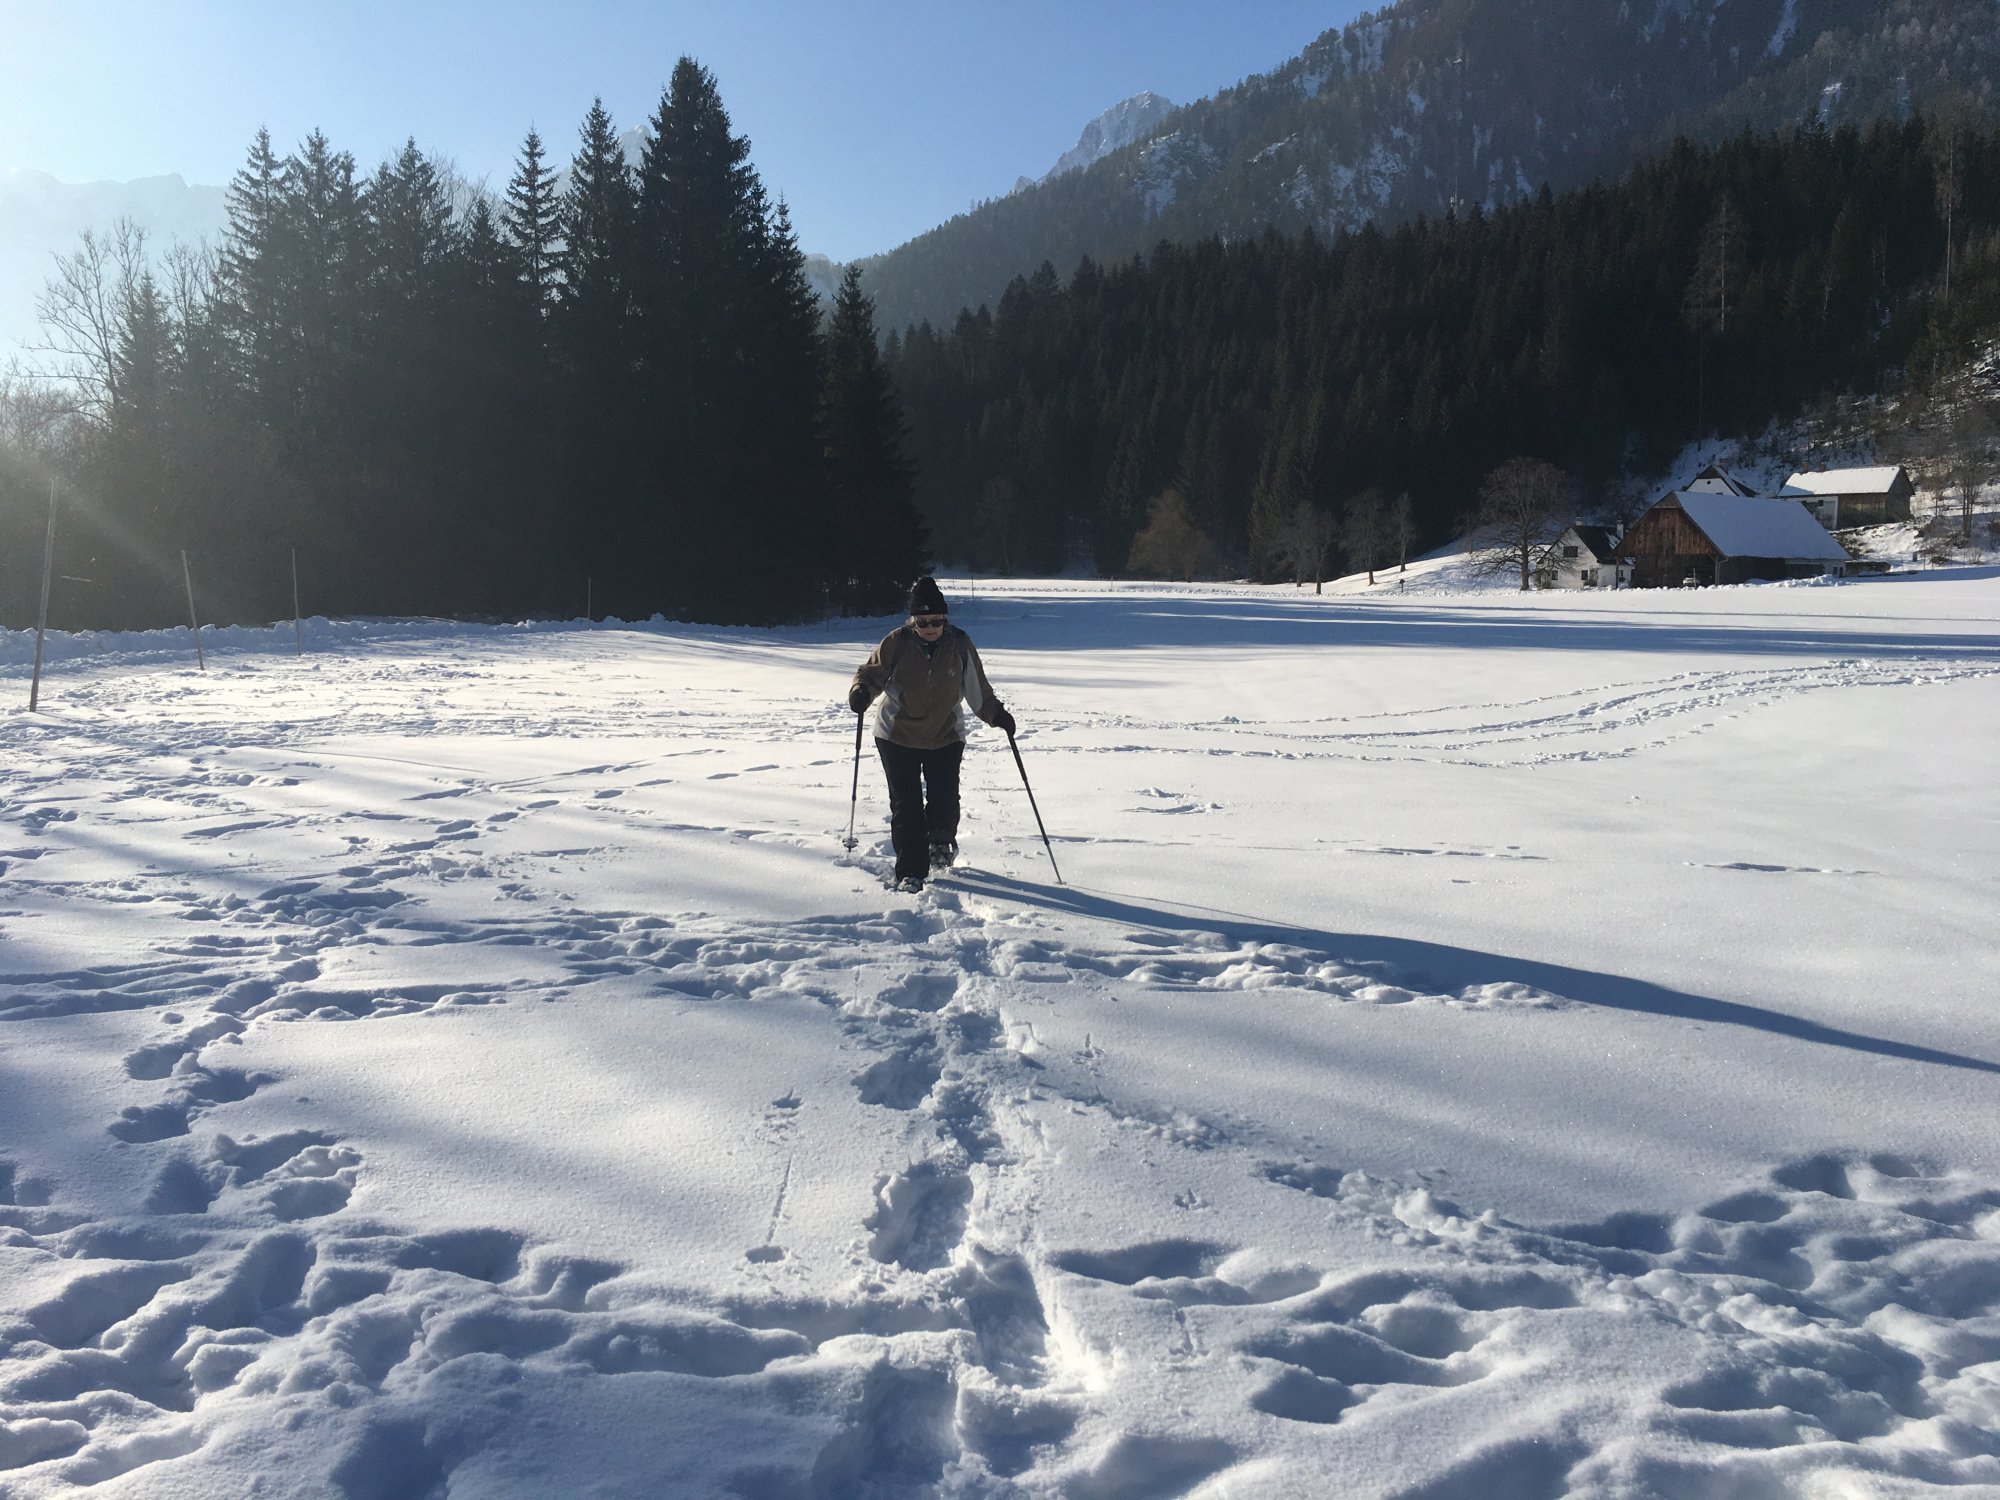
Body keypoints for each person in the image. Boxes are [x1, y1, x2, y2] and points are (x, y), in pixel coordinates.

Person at [848, 577, 1016, 892]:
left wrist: (997, 715)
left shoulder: (959, 644)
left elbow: (978, 689)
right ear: (913, 620)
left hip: (945, 734)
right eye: (922, 621)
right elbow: (870, 674)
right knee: (906, 805)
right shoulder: (897, 642)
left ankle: (941, 842)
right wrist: (861, 692)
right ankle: (911, 870)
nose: (930, 627)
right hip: (896, 734)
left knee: (944, 798)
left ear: (945, 618)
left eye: (936, 621)